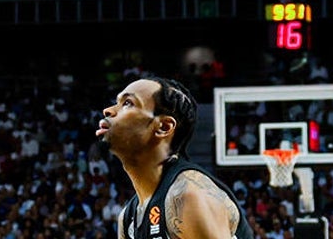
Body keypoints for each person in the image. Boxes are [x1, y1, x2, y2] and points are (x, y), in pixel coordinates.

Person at [97, 75, 254, 239]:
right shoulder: (128, 217)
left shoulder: (188, 196)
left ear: (164, 127)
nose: (108, 110)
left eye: (128, 103)